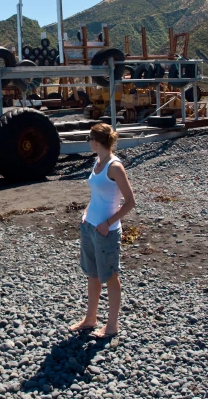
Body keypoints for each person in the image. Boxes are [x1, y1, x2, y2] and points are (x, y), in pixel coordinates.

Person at [69, 123, 136, 339]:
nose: (88, 142)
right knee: (93, 274)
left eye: (89, 138)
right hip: (89, 227)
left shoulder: (115, 167)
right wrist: (86, 213)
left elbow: (130, 202)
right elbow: (97, 196)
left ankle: (112, 325)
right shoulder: (97, 161)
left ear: (96, 141)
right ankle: (90, 318)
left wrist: (107, 224)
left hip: (106, 231)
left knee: (110, 276)